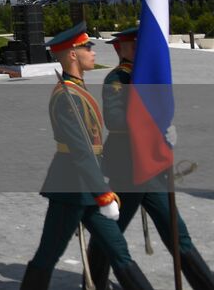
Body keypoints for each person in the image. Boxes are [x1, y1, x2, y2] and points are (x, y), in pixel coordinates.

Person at [19, 23, 155, 290]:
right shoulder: (67, 95)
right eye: (87, 48)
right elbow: (81, 151)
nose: (93, 53)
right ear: (73, 54)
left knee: (119, 252)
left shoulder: (76, 89)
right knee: (47, 256)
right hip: (71, 187)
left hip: (88, 187)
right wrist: (103, 193)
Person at [86, 27, 212, 290]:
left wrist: (166, 128)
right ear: (120, 49)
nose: (139, 50)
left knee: (178, 235)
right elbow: (115, 120)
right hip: (128, 171)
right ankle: (94, 283)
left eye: (140, 45)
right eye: (133, 45)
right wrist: (152, 124)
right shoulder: (117, 79)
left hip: (152, 169)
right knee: (109, 234)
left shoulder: (148, 78)